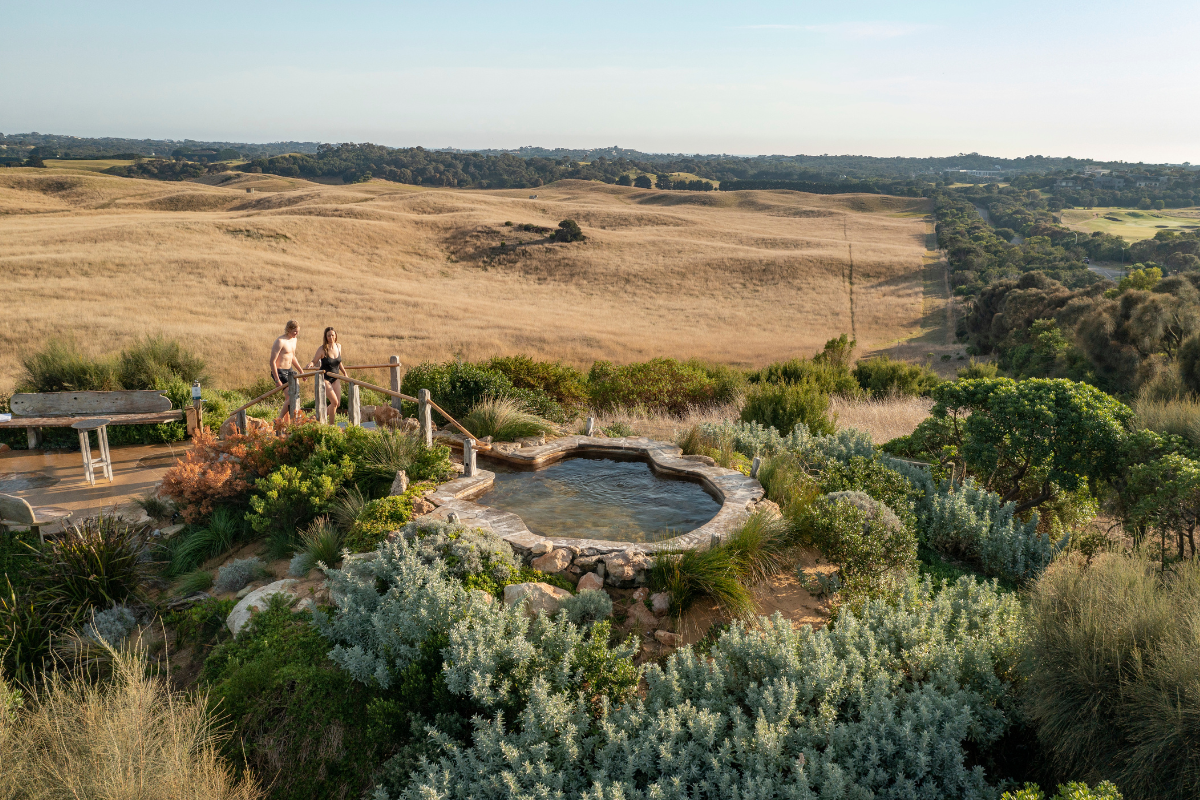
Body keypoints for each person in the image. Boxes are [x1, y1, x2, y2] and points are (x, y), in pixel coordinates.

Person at [307, 326, 347, 423]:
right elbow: (314, 361)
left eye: (332, 335)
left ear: (335, 335)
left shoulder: (338, 346)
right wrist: (310, 364)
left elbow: (339, 362)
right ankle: (331, 426)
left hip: (336, 378)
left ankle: (314, 419)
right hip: (325, 378)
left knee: (337, 404)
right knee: (334, 402)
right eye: (328, 336)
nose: (331, 337)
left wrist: (345, 373)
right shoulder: (322, 349)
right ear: (326, 337)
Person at [270, 320, 304, 423]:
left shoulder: (294, 340)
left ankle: (286, 422)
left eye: (298, 331)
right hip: (280, 371)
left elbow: (292, 357)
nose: (296, 334)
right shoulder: (280, 341)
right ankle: (279, 419)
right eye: (294, 331)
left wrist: (301, 371)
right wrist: (277, 379)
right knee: (290, 396)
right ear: (288, 329)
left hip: (290, 371)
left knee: (291, 396)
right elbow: (272, 361)